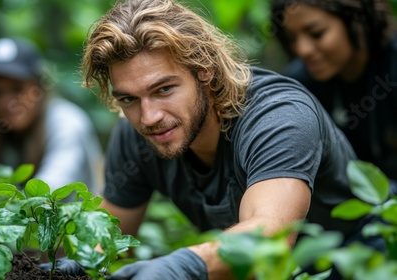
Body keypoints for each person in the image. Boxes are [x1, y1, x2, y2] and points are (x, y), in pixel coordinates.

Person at [43, 0, 385, 279]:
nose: (149, 117)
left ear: (204, 69)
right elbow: (110, 240)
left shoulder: (279, 116)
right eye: (129, 99)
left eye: (164, 89)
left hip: (365, 262)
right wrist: (76, 269)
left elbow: (269, 237)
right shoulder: (136, 135)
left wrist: (182, 266)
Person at [0, 37, 103, 194]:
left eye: (17, 89)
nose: (7, 102)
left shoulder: (67, 122)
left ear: (39, 88)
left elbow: (50, 191)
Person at [270, 0, 397, 190]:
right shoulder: (298, 87)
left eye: (316, 34)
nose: (302, 49)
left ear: (355, 22)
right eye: (292, 38)